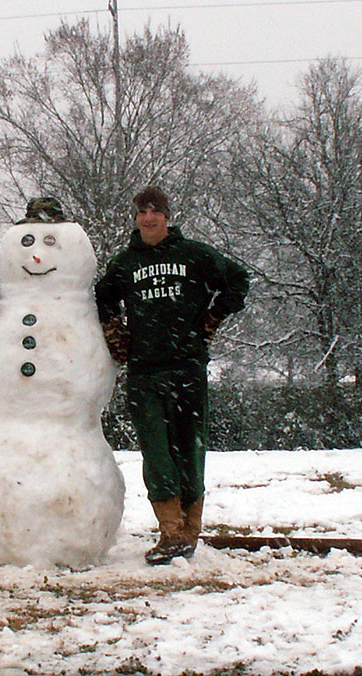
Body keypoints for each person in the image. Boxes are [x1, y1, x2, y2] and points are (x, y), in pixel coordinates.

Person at [95, 186, 249, 566]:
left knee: (190, 451)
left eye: (156, 212)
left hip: (188, 367)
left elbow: (238, 280)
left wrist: (213, 316)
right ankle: (171, 532)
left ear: (167, 216)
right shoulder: (126, 262)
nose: (149, 218)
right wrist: (116, 332)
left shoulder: (194, 255)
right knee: (157, 453)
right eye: (142, 212)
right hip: (146, 371)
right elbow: (100, 297)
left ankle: (189, 531)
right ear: (135, 218)